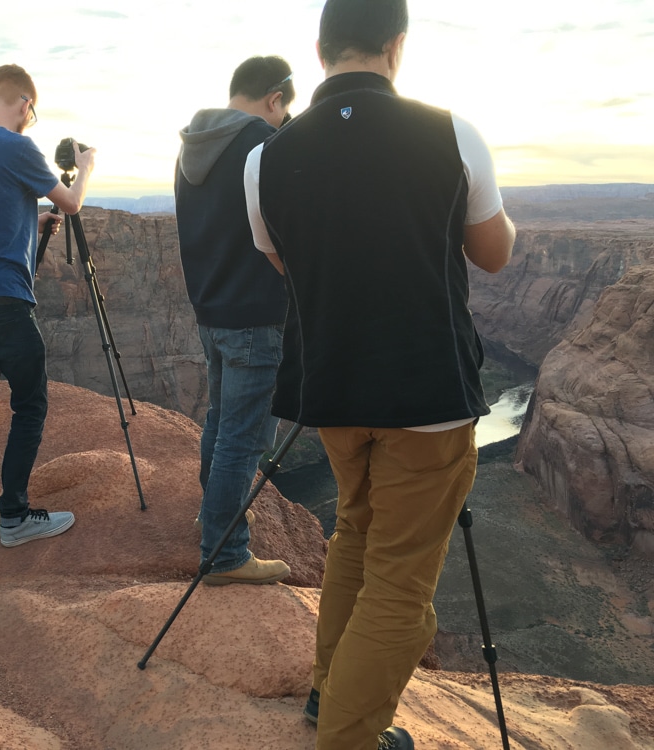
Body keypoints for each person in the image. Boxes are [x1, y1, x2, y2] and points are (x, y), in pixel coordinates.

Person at [244, 1, 517, 747]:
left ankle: (327, 696)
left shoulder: (264, 157)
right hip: (428, 396)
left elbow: (282, 258)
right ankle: (348, 736)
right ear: (397, 47)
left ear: (322, 49)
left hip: (333, 393)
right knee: (400, 585)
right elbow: (494, 254)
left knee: (355, 539)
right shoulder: (450, 132)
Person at [0, 64, 96, 554]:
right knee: (29, 406)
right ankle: (14, 515)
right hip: (6, 303)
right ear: (25, 104)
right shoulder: (18, 146)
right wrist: (86, 165)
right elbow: (71, 203)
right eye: (33, 109)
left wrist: (33, 218)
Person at [175, 56, 294, 585]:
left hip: (212, 310)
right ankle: (224, 554)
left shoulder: (192, 148)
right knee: (242, 439)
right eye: (285, 108)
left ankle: (213, 515)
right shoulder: (261, 147)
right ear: (276, 97)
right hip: (255, 313)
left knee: (221, 425)